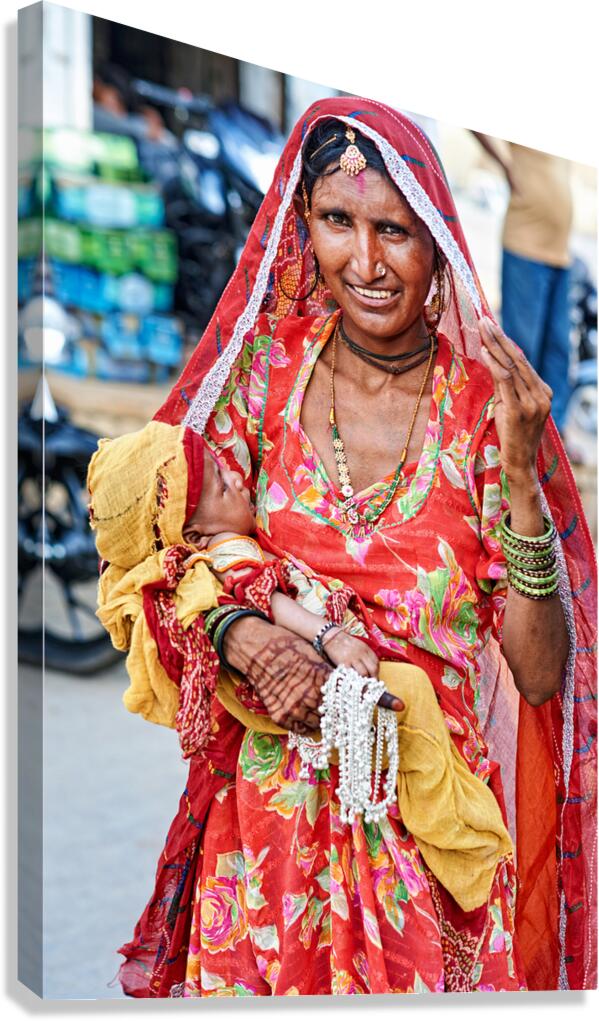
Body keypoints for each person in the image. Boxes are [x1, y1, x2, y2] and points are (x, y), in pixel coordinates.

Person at [106, 98, 595, 996]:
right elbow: (156, 544)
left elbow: (536, 678)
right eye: (338, 222)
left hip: (426, 853)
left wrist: (523, 485)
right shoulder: (266, 374)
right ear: (304, 226)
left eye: (394, 231)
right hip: (262, 856)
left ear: (438, 243)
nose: (364, 263)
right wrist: (238, 635)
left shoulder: (484, 415)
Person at [472, 134, 574, 433]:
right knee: (521, 349)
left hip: (560, 252)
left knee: (558, 350)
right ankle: (511, 431)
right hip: (525, 244)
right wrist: (505, 165)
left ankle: (554, 437)